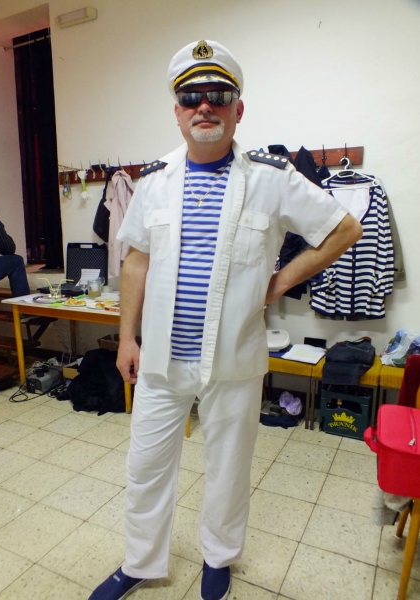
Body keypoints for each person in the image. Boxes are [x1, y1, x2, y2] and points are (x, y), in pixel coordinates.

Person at [89, 40, 362, 600]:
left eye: (217, 94)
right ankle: (140, 562)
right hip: (161, 359)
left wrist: (281, 280)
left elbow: (344, 229)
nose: (204, 106)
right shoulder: (155, 179)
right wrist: (126, 338)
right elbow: (136, 260)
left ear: (238, 109)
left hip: (234, 358)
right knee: (145, 466)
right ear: (178, 111)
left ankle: (219, 559)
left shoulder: (272, 178)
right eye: (192, 97)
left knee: (229, 469)